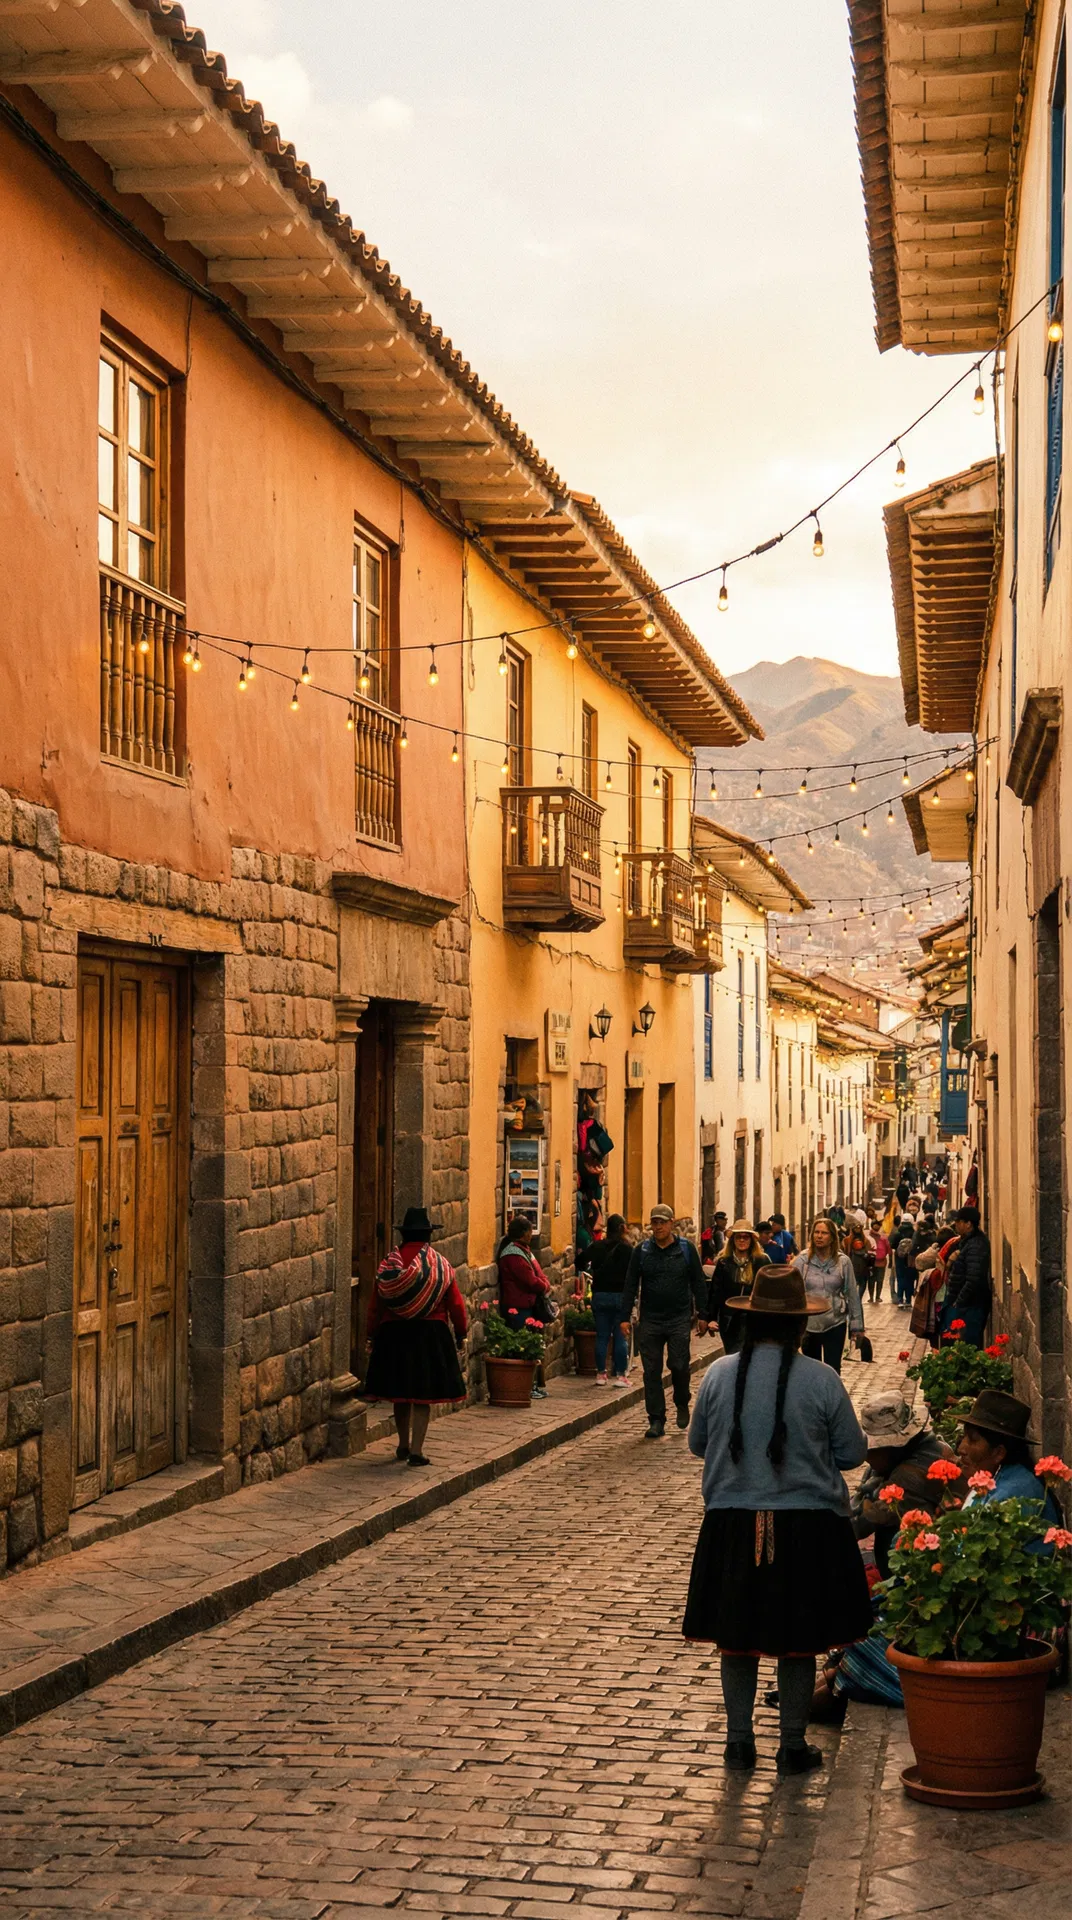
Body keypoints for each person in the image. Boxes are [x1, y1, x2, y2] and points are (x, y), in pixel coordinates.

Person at [683, 1263, 872, 1774]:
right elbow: (853, 1453)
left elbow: (698, 1444)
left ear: (750, 1322)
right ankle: (791, 1744)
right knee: (799, 1640)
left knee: (737, 1639)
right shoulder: (823, 1379)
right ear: (799, 1326)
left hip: (731, 1524)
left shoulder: (719, 1375)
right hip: (807, 1529)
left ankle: (739, 1742)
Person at [820, 1389, 1059, 1718]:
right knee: (875, 1620)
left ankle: (828, 1690)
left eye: (972, 1440)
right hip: (982, 1604)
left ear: (1000, 1451)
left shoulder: (1014, 1492)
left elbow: (970, 1569)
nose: (960, 1449)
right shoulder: (994, 1479)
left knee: (874, 1644)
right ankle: (828, 1687)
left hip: (1012, 1626)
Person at [363, 1206, 467, 1466]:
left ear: (404, 1236)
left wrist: (371, 1335)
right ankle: (418, 1450)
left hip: (394, 1334)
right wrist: (461, 1333)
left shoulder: (389, 1264)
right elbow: (455, 1304)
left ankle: (403, 1444)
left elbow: (376, 1305)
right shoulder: (440, 1266)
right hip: (429, 1334)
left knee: (401, 1392)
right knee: (423, 1395)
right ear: (428, 1236)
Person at [620, 1205, 708, 1439]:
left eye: (662, 1222)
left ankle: (681, 1401)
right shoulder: (642, 1251)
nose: (658, 1227)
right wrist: (624, 1317)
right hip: (651, 1320)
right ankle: (656, 1419)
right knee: (651, 1371)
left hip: (679, 1318)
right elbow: (630, 1285)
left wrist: (704, 1315)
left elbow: (699, 1283)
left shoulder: (686, 1250)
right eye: (654, 1222)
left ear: (671, 1224)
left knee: (679, 1365)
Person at [792, 1218, 864, 1373]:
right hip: (809, 1324)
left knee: (833, 1368)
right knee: (811, 1370)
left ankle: (831, 1396)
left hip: (835, 1321)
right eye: (816, 1232)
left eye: (824, 1233)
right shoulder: (802, 1261)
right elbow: (791, 1292)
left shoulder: (843, 1262)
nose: (819, 1236)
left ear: (832, 1237)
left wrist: (856, 1325)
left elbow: (852, 1294)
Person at [497, 1215, 554, 1399]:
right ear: (522, 1233)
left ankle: (533, 1385)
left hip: (527, 1305)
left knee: (532, 1345)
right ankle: (525, 1386)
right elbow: (529, 1279)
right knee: (523, 1346)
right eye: (529, 1230)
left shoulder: (523, 1250)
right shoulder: (513, 1254)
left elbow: (537, 1272)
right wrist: (544, 1286)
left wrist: (543, 1282)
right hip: (518, 1306)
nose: (531, 1234)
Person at [707, 1220, 771, 1355]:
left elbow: (770, 1289)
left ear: (751, 1240)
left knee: (751, 1357)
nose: (742, 1240)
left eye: (745, 1237)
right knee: (733, 1357)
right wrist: (711, 1318)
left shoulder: (762, 1260)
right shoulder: (724, 1262)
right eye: (738, 1237)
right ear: (733, 1240)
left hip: (754, 1319)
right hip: (730, 1320)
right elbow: (715, 1291)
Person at [587, 1213, 632, 1387]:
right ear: (622, 1228)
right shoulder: (628, 1249)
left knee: (602, 1336)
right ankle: (621, 1376)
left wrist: (593, 1271)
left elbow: (580, 1260)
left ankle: (600, 1374)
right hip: (620, 1296)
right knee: (620, 1337)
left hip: (600, 1295)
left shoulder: (597, 1246)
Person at [937, 1206, 992, 1348]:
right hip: (966, 1303)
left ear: (968, 1224)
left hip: (971, 1305)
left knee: (968, 1344)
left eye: (959, 1221)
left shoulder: (976, 1245)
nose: (956, 1224)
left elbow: (974, 1278)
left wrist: (959, 1301)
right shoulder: (968, 1242)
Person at [892, 1195, 921, 1307]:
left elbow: (893, 1245)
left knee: (900, 1279)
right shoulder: (914, 1233)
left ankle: (900, 1299)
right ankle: (908, 1300)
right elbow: (916, 1245)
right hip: (910, 1259)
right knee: (910, 1279)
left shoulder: (898, 1233)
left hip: (899, 1259)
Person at [842, 1213, 875, 1308]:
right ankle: (853, 1301)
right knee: (851, 1285)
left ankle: (858, 1300)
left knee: (862, 1285)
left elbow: (870, 1253)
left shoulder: (866, 1241)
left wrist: (870, 1265)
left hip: (863, 1268)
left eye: (859, 1228)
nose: (857, 1229)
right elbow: (844, 1253)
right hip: (852, 1267)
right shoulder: (847, 1240)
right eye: (855, 1228)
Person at [868, 1220, 890, 1304]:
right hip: (871, 1262)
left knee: (879, 1280)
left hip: (881, 1262)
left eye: (878, 1225)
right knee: (871, 1280)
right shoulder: (868, 1237)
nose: (876, 1227)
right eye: (875, 1225)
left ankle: (877, 1297)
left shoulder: (883, 1238)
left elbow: (888, 1249)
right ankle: (871, 1297)